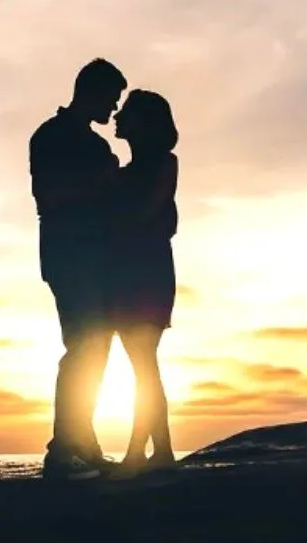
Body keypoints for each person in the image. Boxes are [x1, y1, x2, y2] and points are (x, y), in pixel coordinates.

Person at [29, 58, 127, 480]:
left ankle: (79, 442)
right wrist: (104, 183)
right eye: (112, 98)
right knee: (83, 347)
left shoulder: (95, 144)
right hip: (70, 256)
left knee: (94, 348)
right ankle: (64, 448)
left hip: (96, 258)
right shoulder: (51, 136)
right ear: (92, 91)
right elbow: (48, 197)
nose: (115, 108)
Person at [109, 89, 179, 478]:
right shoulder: (119, 173)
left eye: (127, 112)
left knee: (143, 362)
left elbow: (146, 215)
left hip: (146, 273)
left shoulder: (164, 163)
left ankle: (142, 450)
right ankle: (160, 449)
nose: (117, 116)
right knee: (142, 364)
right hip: (127, 272)